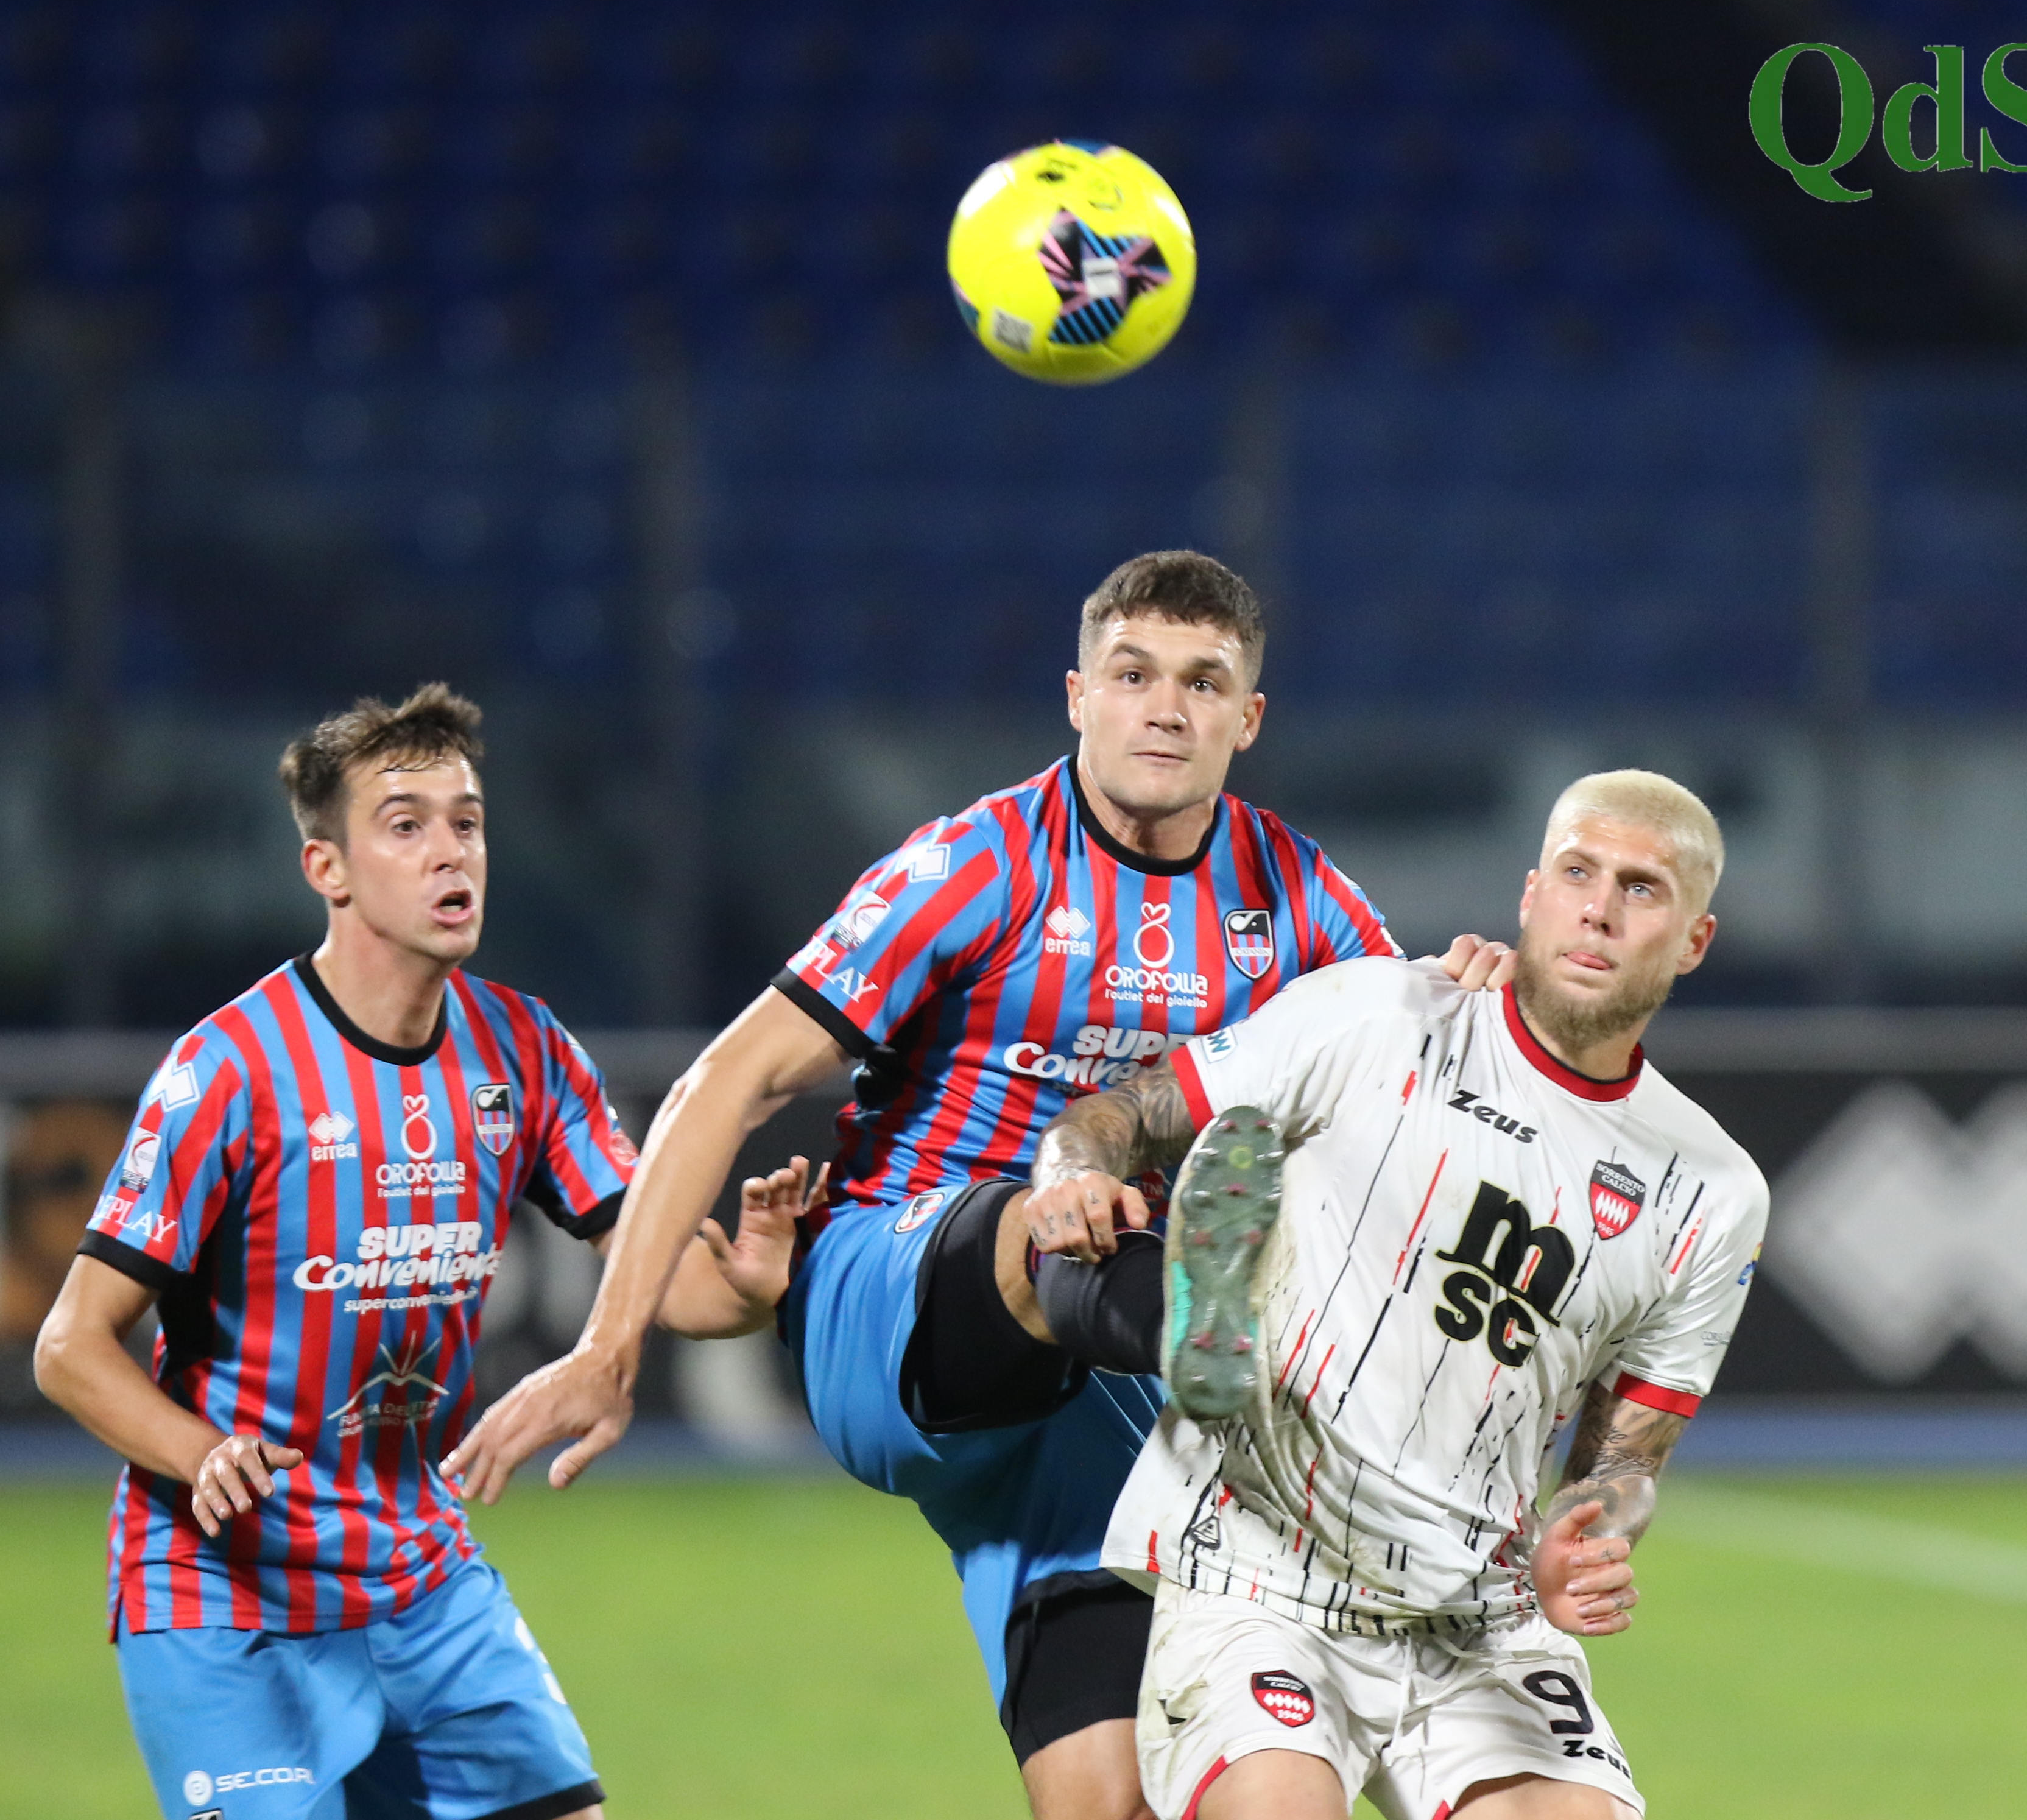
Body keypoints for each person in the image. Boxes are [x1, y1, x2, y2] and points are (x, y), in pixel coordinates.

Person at [441, 551, 1511, 1820]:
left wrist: (1485, 1008)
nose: (1165, 708)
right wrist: (609, 1346)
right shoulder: (977, 864)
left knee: (1110, 1796)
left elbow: (1430, 1086)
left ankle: (1238, 1357)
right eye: (1133, 675)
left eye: (1202, 682)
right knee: (1051, 1208)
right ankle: (1249, 1348)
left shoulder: (1301, 899)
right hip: (897, 1301)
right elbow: (730, 1079)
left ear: (1248, 717)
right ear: (1078, 696)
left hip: (1093, 1396)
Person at [32, 684, 794, 1820]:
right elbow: (68, 1348)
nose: (451, 851)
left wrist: (746, 1294)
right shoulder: (230, 1069)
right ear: (327, 869)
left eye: (467, 822)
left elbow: (671, 1281)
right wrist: (201, 1454)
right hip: (228, 1599)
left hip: (421, 1578)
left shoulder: (526, 1051)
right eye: (406, 824)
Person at [1021, 769, 1771, 1820]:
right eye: (1576, 873)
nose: (1599, 908)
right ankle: (1213, 1328)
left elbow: (1624, 1461)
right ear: (1530, 893)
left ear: (1694, 939)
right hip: (1258, 1575)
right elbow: (1114, 1117)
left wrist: (1590, 1535)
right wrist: (1070, 1175)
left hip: (1481, 1616)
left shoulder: (1713, 1188)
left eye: (1640, 889)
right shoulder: (1376, 1014)